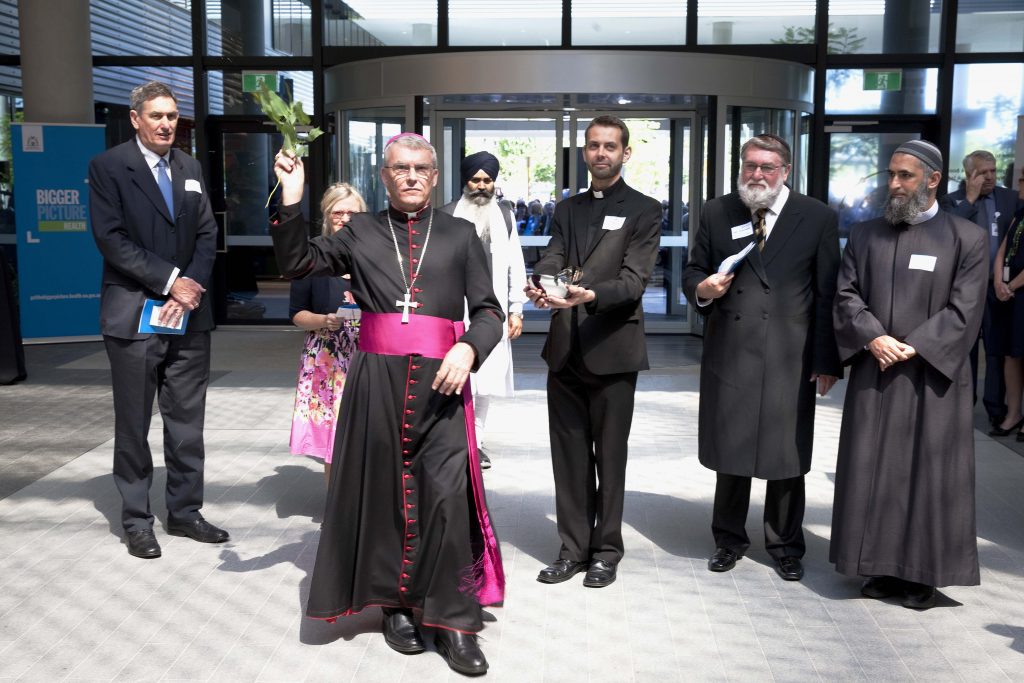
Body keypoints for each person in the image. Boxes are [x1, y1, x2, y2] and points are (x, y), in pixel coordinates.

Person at [270, 133, 504, 676]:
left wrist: (470, 347)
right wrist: (293, 195)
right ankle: (396, 606)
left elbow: (489, 311)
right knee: (384, 496)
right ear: (384, 175)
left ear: (437, 174)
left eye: (422, 168)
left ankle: (453, 622)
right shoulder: (360, 232)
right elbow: (298, 260)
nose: (412, 177)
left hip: (443, 387)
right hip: (375, 385)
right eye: (401, 168)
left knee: (445, 499)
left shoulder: (462, 234)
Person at [832, 140, 987, 610]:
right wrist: (874, 337)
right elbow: (845, 295)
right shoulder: (864, 235)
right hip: (875, 371)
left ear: (934, 180)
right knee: (871, 469)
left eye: (906, 176)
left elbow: (966, 310)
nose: (895, 185)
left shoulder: (968, 239)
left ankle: (923, 575)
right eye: (892, 176)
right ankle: (877, 566)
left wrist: (915, 344)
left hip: (932, 379)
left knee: (928, 473)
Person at [682, 134, 841, 582]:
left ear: (786, 171)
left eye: (767, 167)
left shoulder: (817, 217)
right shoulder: (718, 211)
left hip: (792, 353)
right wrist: (702, 289)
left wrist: (827, 359)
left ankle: (785, 544)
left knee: (786, 454)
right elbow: (694, 269)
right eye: (750, 166)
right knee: (732, 447)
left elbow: (828, 292)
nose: (756, 175)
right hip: (731, 350)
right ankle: (728, 540)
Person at [89, 81, 227, 559]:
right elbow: (111, 239)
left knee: (188, 422)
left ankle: (185, 512)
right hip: (135, 314)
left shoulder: (190, 167)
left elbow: (207, 233)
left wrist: (188, 290)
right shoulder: (109, 167)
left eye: (172, 116)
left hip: (189, 315)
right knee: (133, 424)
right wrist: (172, 281)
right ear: (136, 118)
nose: (167, 124)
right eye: (157, 116)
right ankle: (136, 519)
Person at [526, 115, 661, 589]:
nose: (600, 153)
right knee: (569, 458)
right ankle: (572, 549)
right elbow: (553, 254)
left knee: (610, 456)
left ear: (625, 153)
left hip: (613, 348)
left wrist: (590, 295)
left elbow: (635, 279)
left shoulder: (645, 209)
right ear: (583, 152)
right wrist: (543, 282)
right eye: (593, 146)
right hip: (564, 349)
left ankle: (606, 550)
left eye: (610, 146)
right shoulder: (568, 209)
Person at [439, 151, 528, 469]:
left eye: (487, 180)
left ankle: (477, 443)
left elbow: (515, 264)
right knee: (458, 376)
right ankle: (456, 440)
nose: (481, 186)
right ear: (465, 181)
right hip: (455, 310)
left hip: (494, 312)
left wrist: (517, 308)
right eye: (475, 180)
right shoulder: (447, 214)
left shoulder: (504, 215)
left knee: (486, 379)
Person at [288, 183, 366, 482]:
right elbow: (297, 314)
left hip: (368, 354)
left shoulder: (376, 255)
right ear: (327, 214)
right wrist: (323, 319)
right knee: (334, 438)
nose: (345, 218)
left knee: (368, 431)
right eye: (338, 212)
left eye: (352, 212)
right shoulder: (313, 255)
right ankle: (336, 507)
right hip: (327, 360)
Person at [941, 150, 1023, 433]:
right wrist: (972, 199)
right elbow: (949, 234)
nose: (990, 176)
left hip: (999, 288)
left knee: (997, 350)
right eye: (983, 172)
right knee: (965, 350)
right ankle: (963, 405)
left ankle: (996, 410)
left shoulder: (1010, 198)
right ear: (968, 174)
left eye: (993, 170)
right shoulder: (952, 201)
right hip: (964, 290)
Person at [989, 170, 1024, 439]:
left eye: (1023, 181)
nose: (1018, 185)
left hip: (1018, 293)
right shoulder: (1019, 213)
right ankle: (1013, 414)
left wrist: (1010, 286)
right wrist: (999, 283)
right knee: (1010, 356)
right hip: (1009, 296)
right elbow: (1002, 249)